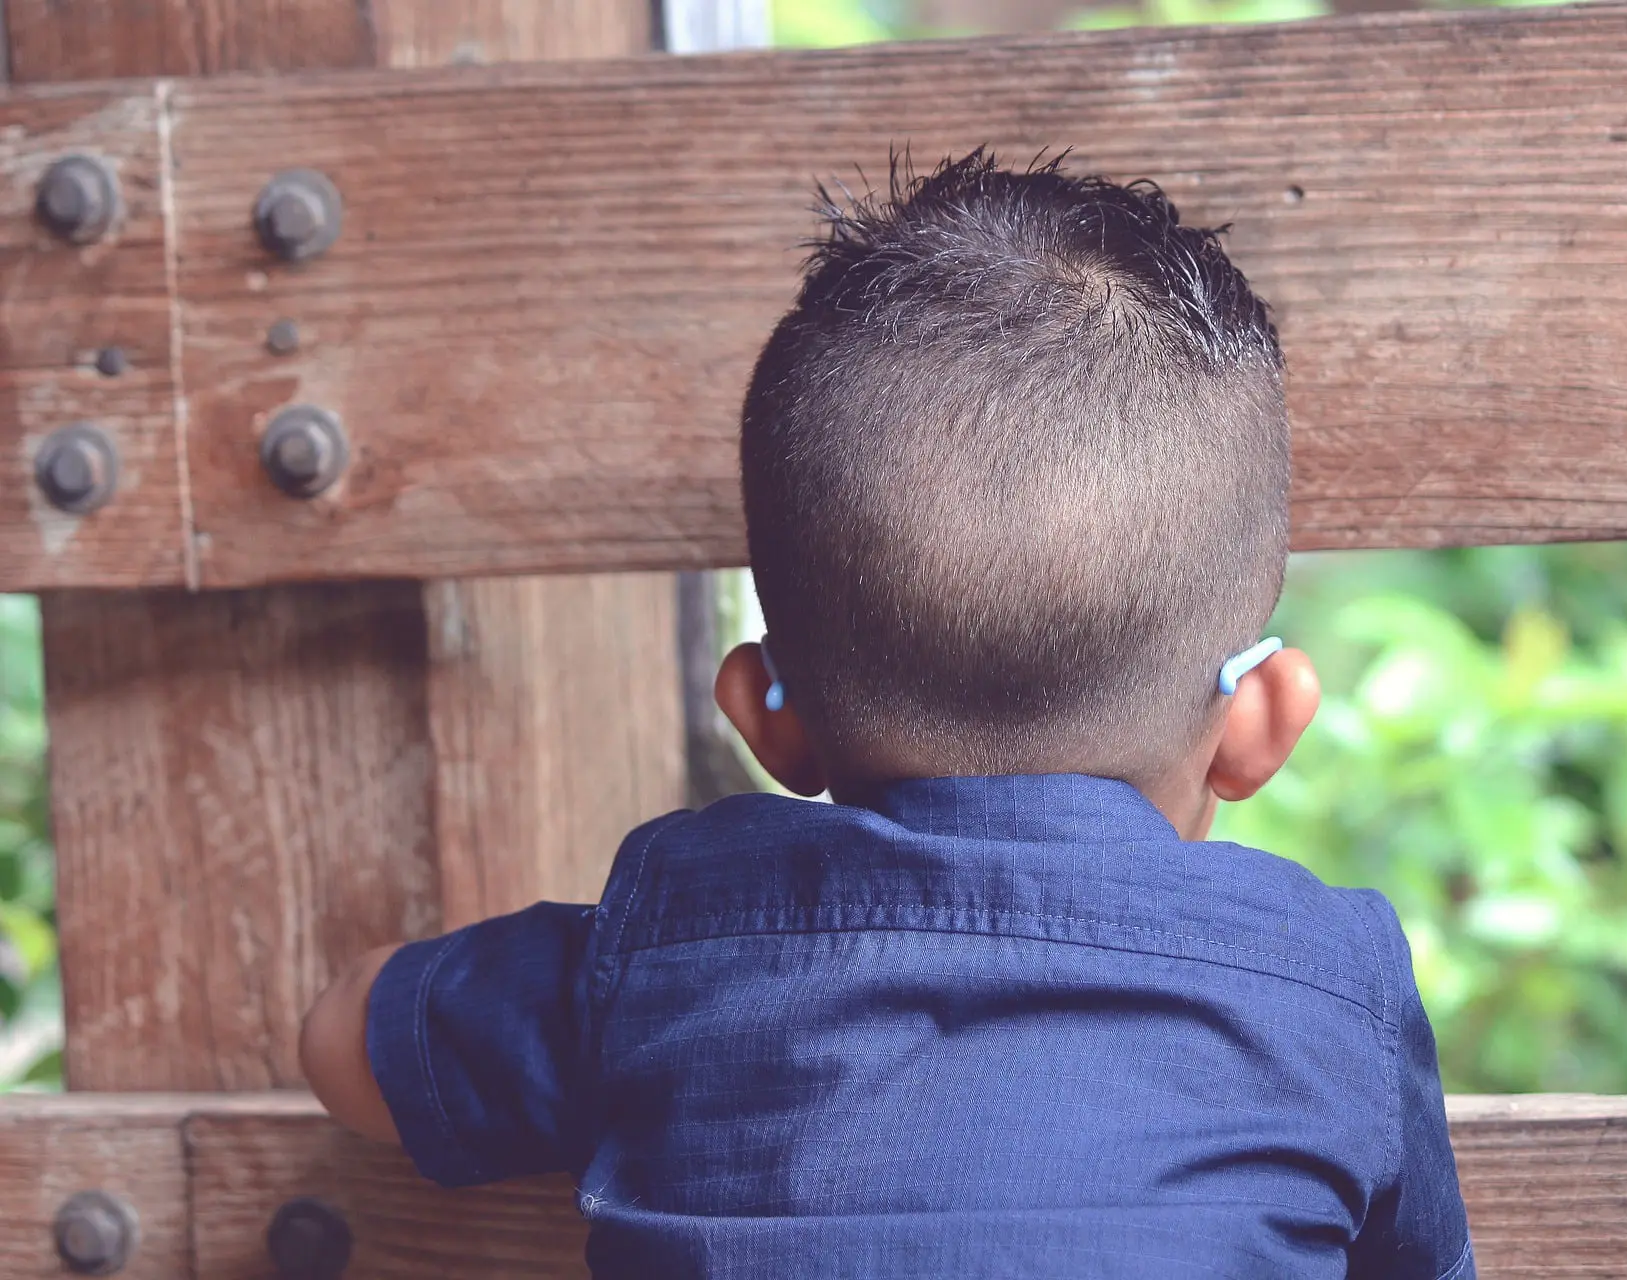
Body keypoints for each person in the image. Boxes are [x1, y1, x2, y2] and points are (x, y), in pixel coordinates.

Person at [299, 149, 1475, 1279]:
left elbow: (345, 1046)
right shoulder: (1327, 982)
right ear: (1264, 718)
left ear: (769, 716)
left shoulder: (669, 937)